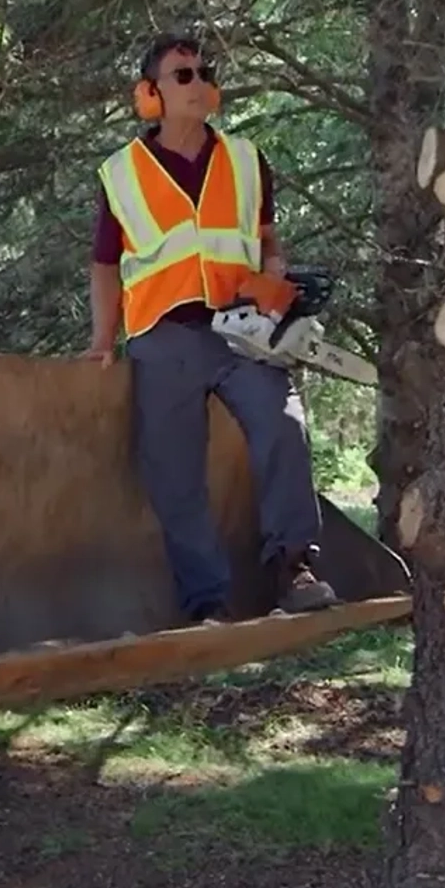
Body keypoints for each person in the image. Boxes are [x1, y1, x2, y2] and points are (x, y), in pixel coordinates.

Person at [84, 33, 339, 620]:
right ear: (150, 95)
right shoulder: (121, 173)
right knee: (174, 470)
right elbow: (104, 263)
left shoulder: (247, 159)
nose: (199, 83)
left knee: (284, 426)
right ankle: (207, 603)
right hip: (162, 334)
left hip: (243, 331)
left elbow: (267, 238)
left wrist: (274, 283)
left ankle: (294, 566)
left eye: (204, 72)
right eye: (183, 75)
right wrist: (102, 341)